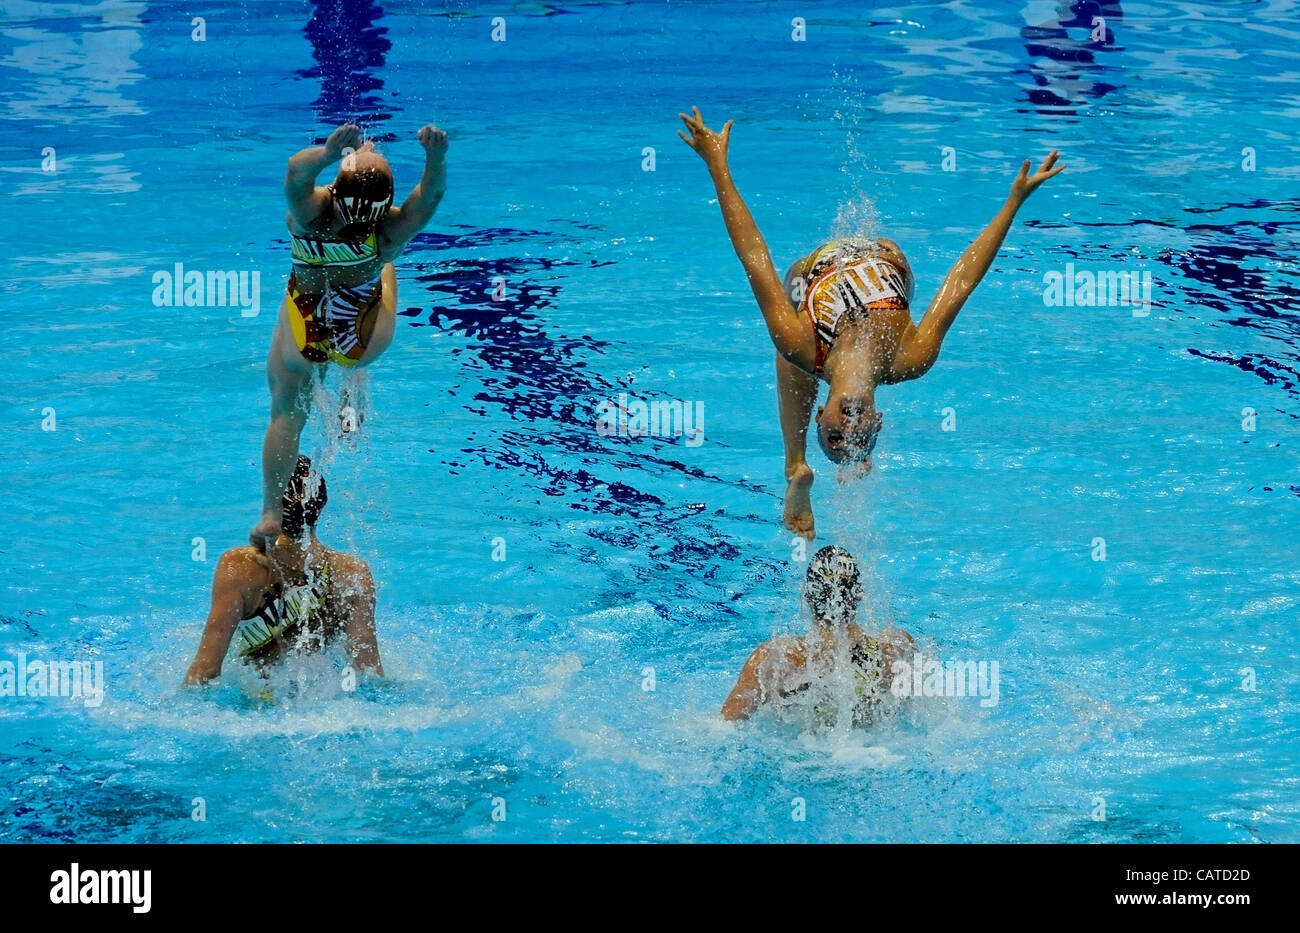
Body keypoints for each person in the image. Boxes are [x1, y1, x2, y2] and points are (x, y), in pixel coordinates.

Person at [677, 107, 1065, 538]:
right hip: (888, 266)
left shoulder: (801, 342)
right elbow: (961, 282)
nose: (847, 429)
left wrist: (718, 168)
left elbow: (752, 254)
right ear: (875, 421)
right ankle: (812, 464)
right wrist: (1012, 204)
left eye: (834, 437)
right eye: (858, 437)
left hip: (812, 277)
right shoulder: (912, 357)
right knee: (801, 349)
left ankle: (795, 464)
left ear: (821, 415)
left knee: (792, 349)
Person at [252, 122, 448, 546]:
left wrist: (328, 152)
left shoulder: (308, 215)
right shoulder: (390, 229)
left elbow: (294, 171)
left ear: (334, 192)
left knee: (286, 412)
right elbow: (428, 195)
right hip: (363, 340)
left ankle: (270, 512)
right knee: (389, 265)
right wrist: (435, 158)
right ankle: (353, 380)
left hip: (308, 331)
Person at [185, 457, 383, 686]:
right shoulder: (352, 572)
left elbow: (206, 670)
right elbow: (368, 673)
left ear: (271, 505)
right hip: (319, 701)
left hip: (256, 698)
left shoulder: (238, 566)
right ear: (322, 504)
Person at [721, 546, 913, 726]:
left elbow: (726, 724)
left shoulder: (777, 660)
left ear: (808, 596)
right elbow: (913, 714)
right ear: (858, 594)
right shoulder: (896, 648)